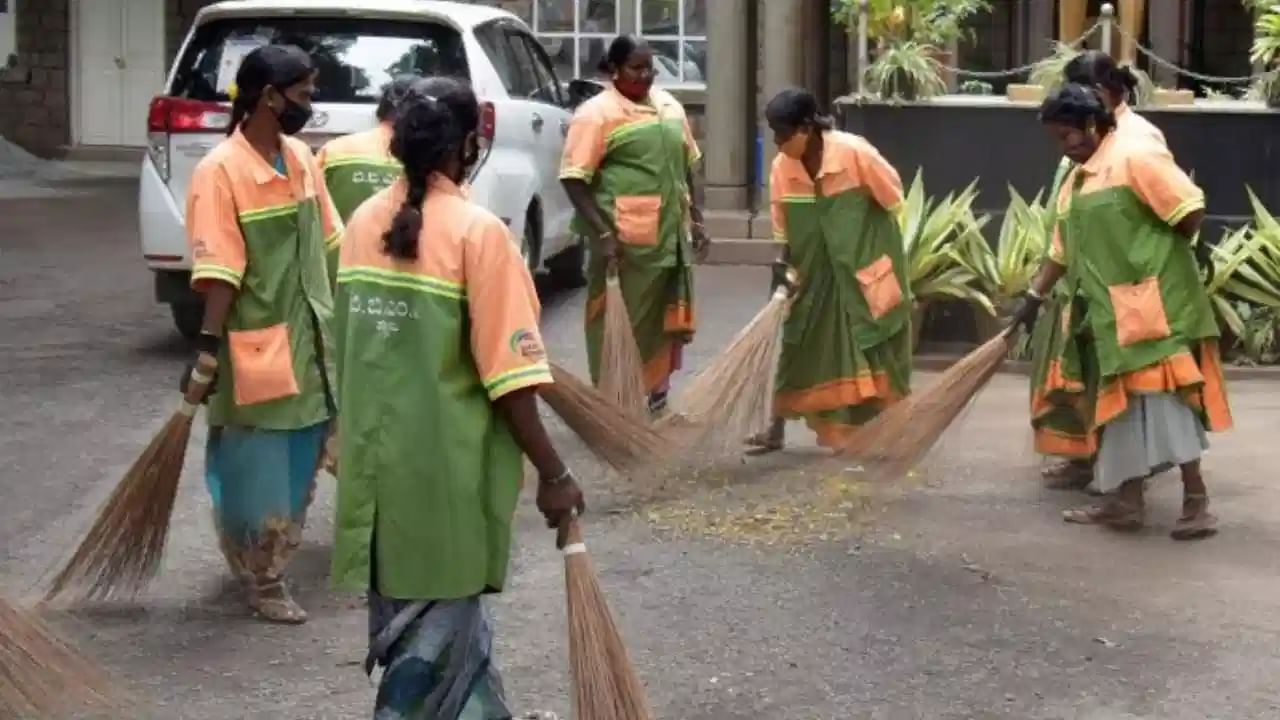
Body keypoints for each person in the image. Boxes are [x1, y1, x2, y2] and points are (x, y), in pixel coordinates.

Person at [329, 76, 586, 718]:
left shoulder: (363, 223)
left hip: (374, 480)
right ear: (469, 143)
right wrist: (554, 475)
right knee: (432, 652)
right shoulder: (479, 235)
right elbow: (512, 380)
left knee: (419, 633)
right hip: (445, 479)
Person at [1013, 84, 1231, 539]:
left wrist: (1154, 262)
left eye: (1066, 136)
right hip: (1111, 311)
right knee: (1119, 406)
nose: (1063, 147)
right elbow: (1061, 251)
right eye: (1057, 139)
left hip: (1155, 306)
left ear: (1092, 124)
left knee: (1164, 399)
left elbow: (1189, 211)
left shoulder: (1135, 156)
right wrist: (1032, 299)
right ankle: (1126, 503)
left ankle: (1197, 504)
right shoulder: (1078, 180)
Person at [183, 45, 341, 623]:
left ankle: (272, 558)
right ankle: (261, 574)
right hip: (257, 344)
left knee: (303, 454)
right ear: (268, 98)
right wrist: (206, 348)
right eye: (303, 95)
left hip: (312, 342)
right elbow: (220, 272)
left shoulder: (299, 156)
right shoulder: (219, 171)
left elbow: (330, 242)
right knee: (258, 462)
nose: (310, 105)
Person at [1028, 50, 1171, 490]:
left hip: (1123, 287)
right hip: (1077, 277)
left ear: (1108, 93)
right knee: (1077, 376)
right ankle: (1085, 458)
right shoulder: (1084, 135)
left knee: (1122, 383)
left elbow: (1175, 216)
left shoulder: (1136, 141)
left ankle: (1126, 479)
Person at [747, 87, 912, 453]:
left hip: (864, 271)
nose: (777, 142)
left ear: (807, 128)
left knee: (878, 347)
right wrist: (780, 264)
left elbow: (893, 199)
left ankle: (891, 432)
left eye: (783, 133)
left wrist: (868, 248)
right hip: (813, 276)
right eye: (773, 133)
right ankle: (774, 430)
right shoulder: (781, 168)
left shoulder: (854, 153)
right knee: (797, 342)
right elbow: (781, 226)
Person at [560, 34, 707, 414]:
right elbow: (574, 179)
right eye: (636, 69)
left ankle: (657, 392)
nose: (645, 77)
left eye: (650, 69)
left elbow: (688, 164)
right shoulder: (596, 114)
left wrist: (698, 218)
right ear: (613, 70)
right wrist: (604, 234)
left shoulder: (669, 105)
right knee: (618, 320)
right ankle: (615, 397)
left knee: (662, 318)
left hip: (670, 237)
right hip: (623, 245)